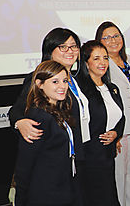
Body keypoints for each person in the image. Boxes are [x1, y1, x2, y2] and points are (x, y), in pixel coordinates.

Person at [9, 28, 90, 196]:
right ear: (50, 50)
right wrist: (19, 122)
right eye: (63, 47)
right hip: (55, 163)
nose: (70, 51)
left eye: (74, 46)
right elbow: (18, 109)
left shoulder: (75, 78)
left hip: (77, 155)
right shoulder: (38, 78)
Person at [15, 61, 79, 206]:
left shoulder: (60, 111)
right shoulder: (38, 117)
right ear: (40, 84)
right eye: (55, 81)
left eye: (65, 81)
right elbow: (25, 163)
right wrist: (21, 199)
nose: (62, 86)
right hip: (45, 192)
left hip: (62, 185)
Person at [95, 22, 130, 206]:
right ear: (99, 41)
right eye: (107, 37)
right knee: (117, 176)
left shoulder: (128, 59)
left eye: (116, 36)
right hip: (117, 131)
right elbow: (104, 101)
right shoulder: (101, 65)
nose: (113, 40)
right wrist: (115, 132)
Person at [75, 41, 125, 206]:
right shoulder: (79, 90)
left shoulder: (112, 88)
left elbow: (121, 117)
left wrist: (116, 133)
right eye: (96, 58)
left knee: (109, 195)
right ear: (86, 62)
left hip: (107, 154)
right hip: (89, 156)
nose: (102, 62)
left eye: (105, 58)